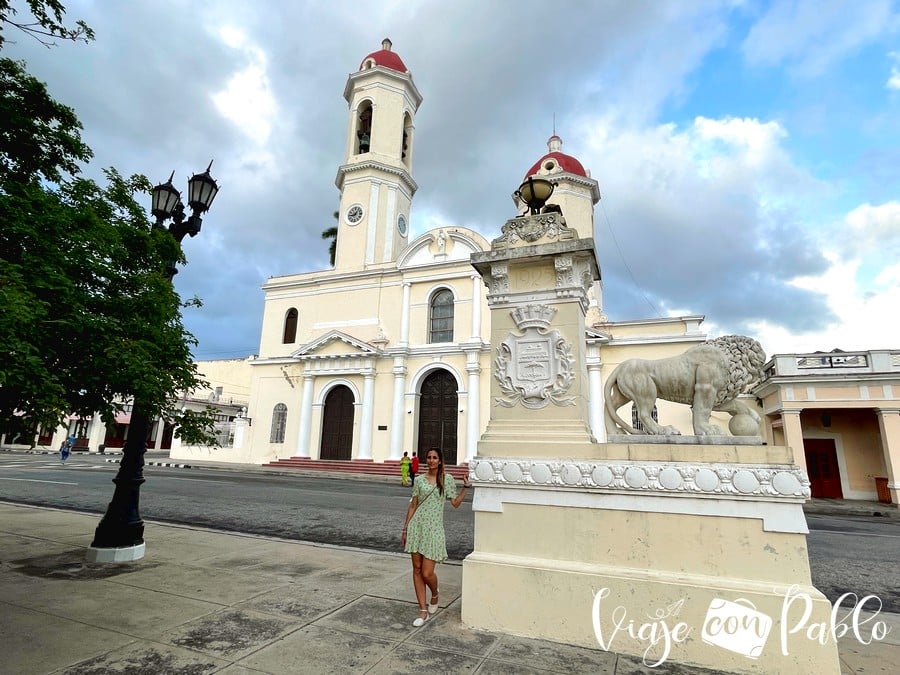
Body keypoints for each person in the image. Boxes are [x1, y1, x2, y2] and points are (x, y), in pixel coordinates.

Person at [401, 447, 471, 627]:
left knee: (427, 572)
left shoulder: (446, 480)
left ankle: (435, 593)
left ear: (440, 461)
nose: (431, 460)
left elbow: (455, 503)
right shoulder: (419, 480)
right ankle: (423, 611)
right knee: (416, 569)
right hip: (417, 527)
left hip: (434, 530)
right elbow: (413, 505)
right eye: (429, 457)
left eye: (434, 458)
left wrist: (465, 487)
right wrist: (405, 528)